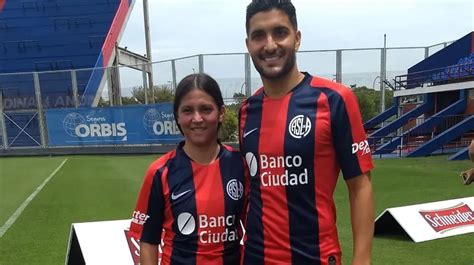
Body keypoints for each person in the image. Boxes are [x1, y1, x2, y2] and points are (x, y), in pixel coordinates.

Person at [239, 1, 374, 264]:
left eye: (280, 32)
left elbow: (360, 187)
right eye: (258, 36)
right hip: (255, 257)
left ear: (297, 39)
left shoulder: (335, 99)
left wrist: (362, 260)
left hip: (315, 257)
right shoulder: (247, 111)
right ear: (248, 45)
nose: (269, 45)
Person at [128, 73, 246, 265]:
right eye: (188, 111)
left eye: (206, 109)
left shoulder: (240, 165)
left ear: (221, 112)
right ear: (177, 116)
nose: (197, 118)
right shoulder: (160, 172)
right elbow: (148, 241)